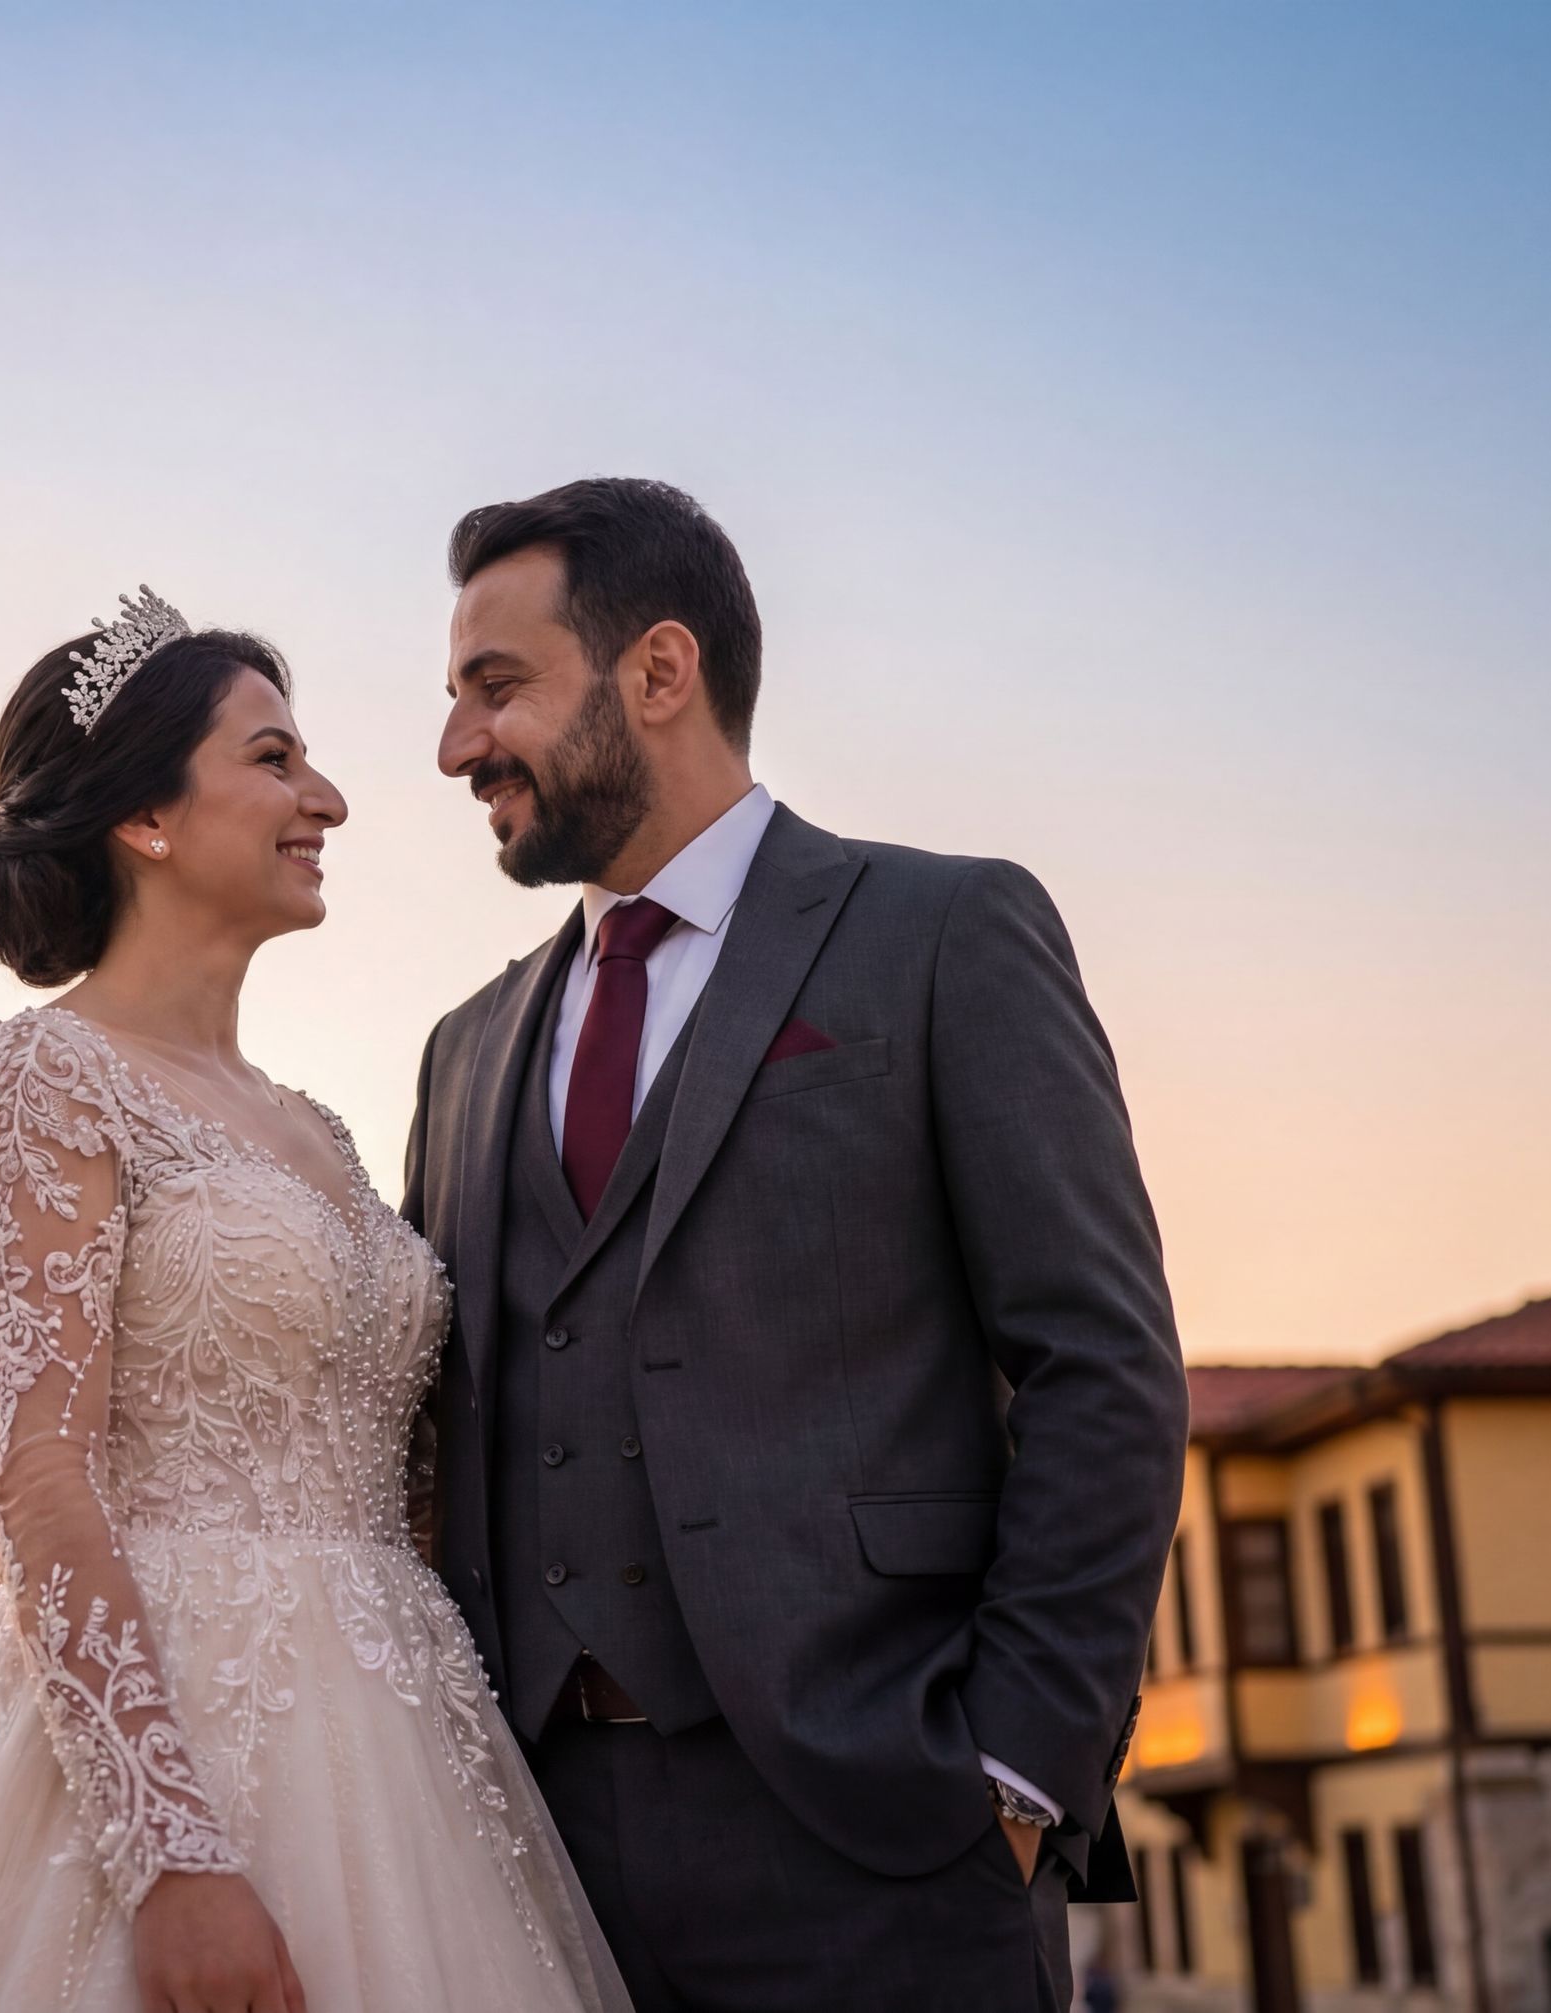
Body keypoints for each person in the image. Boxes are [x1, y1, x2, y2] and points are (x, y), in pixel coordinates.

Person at [0, 596, 629, 2012]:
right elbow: (38, 1480)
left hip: (410, 1740)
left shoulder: (321, 1133)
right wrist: (173, 1851)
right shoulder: (44, 1080)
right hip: (175, 1739)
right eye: (275, 759)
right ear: (146, 816)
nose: (326, 798)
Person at [402, 477, 1189, 2011]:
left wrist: (1019, 1769)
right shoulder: (464, 1049)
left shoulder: (942, 933)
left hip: (886, 1841)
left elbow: (1104, 1365)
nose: (453, 746)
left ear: (660, 671)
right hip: (527, 1866)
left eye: (496, 688)